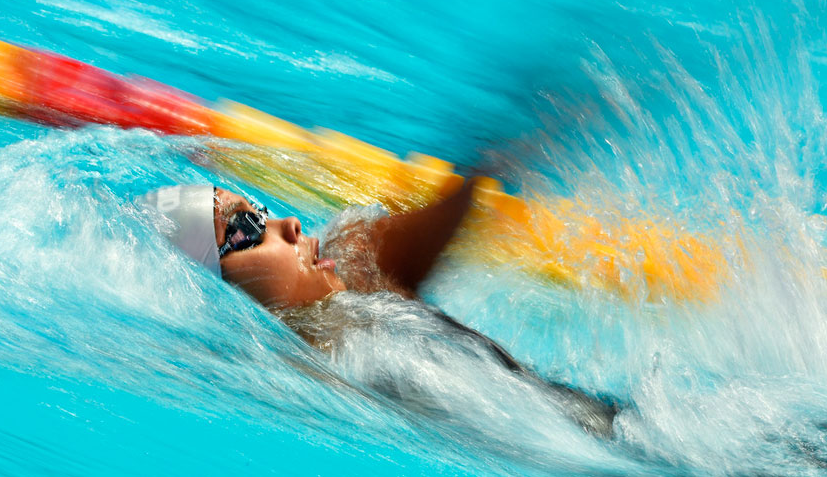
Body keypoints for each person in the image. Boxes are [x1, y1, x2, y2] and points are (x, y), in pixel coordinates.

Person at [139, 182, 618, 437]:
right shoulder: (314, 374)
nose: (288, 223)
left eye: (261, 210)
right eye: (245, 227)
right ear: (217, 294)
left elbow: (451, 209)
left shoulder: (357, 272)